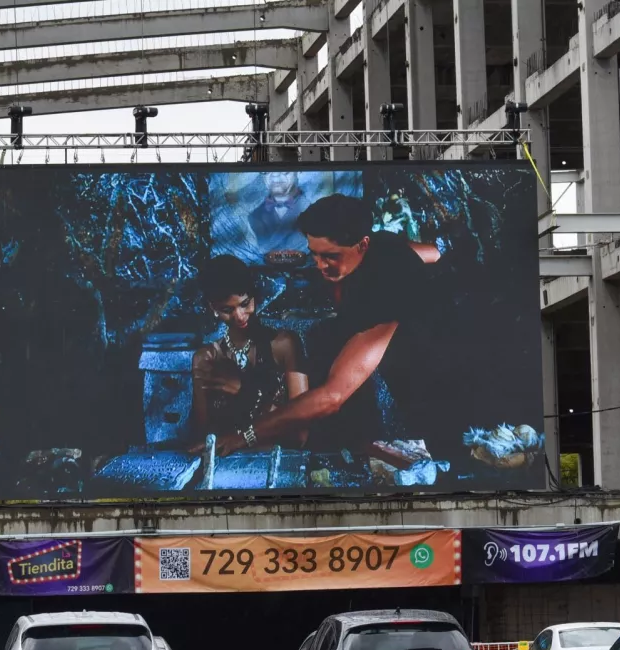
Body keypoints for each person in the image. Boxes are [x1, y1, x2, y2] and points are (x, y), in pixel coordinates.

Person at [195, 193, 452, 458]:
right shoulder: (381, 244)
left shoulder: (387, 288)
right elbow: (432, 252)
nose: (319, 265)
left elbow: (332, 396)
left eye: (330, 256)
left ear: (362, 245)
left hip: (443, 384)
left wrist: (242, 437)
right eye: (314, 254)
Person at [190, 255, 309, 449]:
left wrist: (246, 392)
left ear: (254, 297)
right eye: (227, 309)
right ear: (213, 308)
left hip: (276, 457)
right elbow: (204, 438)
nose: (239, 316)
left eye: (245, 304)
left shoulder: (284, 345)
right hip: (227, 461)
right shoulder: (206, 358)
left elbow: (300, 434)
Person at [247, 172, 311, 254]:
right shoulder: (253, 217)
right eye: (267, 171)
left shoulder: (313, 211)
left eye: (284, 169)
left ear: (298, 172)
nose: (275, 175)